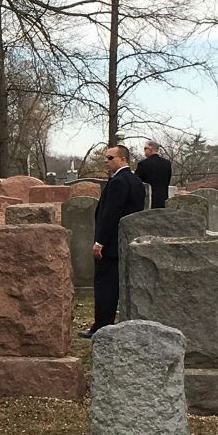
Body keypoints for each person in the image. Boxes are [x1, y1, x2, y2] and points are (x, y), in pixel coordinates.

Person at [82, 143, 146, 338]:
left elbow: (111, 214)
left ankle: (101, 327)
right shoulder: (136, 181)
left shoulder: (119, 181)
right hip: (127, 242)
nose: (106, 161)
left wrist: (100, 242)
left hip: (111, 245)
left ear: (123, 159)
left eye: (110, 158)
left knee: (105, 287)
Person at [135, 140, 172, 209]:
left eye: (145, 148)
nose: (144, 151)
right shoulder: (167, 163)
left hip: (148, 200)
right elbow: (167, 181)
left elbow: (137, 183)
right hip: (163, 199)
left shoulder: (143, 164)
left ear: (150, 149)